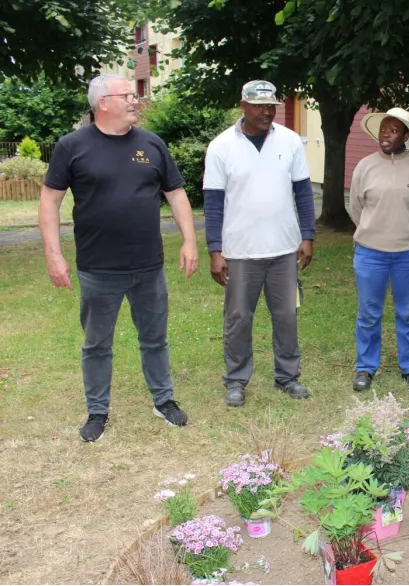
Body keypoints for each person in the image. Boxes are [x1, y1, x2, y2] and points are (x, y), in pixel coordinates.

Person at [38, 74, 198, 442]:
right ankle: (97, 410)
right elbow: (50, 200)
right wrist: (53, 255)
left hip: (149, 266)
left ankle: (163, 400)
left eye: (134, 94)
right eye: (126, 95)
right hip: (98, 269)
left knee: (155, 338)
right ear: (103, 103)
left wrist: (189, 241)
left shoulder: (152, 144)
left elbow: (176, 194)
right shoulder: (72, 146)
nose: (134, 100)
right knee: (97, 344)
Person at [203, 80, 316, 407]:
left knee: (287, 316)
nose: (267, 111)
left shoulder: (290, 141)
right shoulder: (221, 146)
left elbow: (303, 192)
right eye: (259, 105)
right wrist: (215, 251)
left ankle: (287, 376)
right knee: (239, 317)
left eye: (271, 106)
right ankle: (236, 380)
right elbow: (213, 203)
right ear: (243, 105)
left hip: (284, 249)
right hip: (239, 251)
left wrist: (307, 235)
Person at [348, 108, 409, 392]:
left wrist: (405, 230)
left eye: (393, 130)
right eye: (383, 128)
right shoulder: (365, 166)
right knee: (368, 313)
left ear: (405, 136)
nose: (386, 134)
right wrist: (373, 229)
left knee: (408, 312)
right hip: (370, 253)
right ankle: (365, 367)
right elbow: (356, 207)